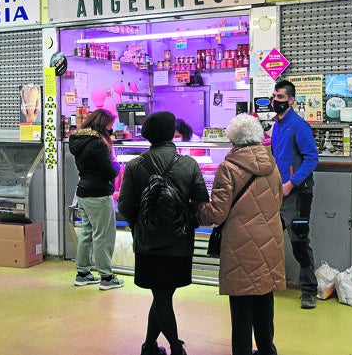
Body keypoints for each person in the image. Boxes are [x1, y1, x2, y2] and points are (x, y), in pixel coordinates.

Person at [118, 111, 209, 355]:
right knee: (163, 294)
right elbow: (201, 200)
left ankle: (149, 347)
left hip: (147, 242)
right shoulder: (188, 164)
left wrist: (138, 225)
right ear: (172, 134)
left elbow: (125, 205)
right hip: (179, 242)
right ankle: (175, 347)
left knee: (161, 294)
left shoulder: (135, 165)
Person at [199, 113, 285, 355]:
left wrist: (196, 209)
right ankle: (267, 349)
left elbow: (217, 213)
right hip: (269, 239)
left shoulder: (228, 167)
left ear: (232, 139)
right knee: (264, 299)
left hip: (240, 243)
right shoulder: (271, 163)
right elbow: (278, 199)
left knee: (241, 304)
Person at [270, 80, 320, 309]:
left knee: (299, 242)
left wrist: (291, 183)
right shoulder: (277, 126)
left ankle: (309, 290)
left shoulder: (299, 126)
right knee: (268, 238)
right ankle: (267, 284)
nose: (275, 101)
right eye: (274, 97)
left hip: (298, 194)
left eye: (280, 97)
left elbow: (312, 158)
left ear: (291, 100)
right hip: (277, 193)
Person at [68, 109, 124, 291]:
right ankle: (106, 277)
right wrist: (117, 163)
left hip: (83, 192)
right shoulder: (98, 144)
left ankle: (82, 273)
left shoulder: (79, 140)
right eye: (110, 125)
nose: (111, 129)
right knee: (103, 235)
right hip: (99, 194)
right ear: (103, 124)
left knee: (87, 233)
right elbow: (110, 171)